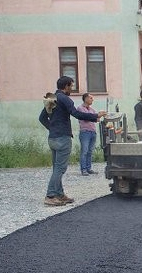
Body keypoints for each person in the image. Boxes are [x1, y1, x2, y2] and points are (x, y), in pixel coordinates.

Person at [38, 76, 106, 206]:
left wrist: (52, 128)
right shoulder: (65, 99)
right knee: (60, 168)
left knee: (56, 168)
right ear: (66, 86)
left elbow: (41, 118)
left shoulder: (52, 98)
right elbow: (77, 114)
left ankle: (59, 194)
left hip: (52, 138)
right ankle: (51, 195)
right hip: (63, 138)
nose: (72, 89)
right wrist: (96, 115)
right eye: (71, 86)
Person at [75, 93, 102, 176]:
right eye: (90, 98)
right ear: (85, 99)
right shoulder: (80, 108)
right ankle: (83, 169)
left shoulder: (92, 109)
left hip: (92, 132)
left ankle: (89, 168)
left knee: (90, 151)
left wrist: (100, 114)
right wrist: (95, 116)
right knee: (84, 151)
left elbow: (96, 119)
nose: (92, 100)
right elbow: (86, 117)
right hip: (85, 132)